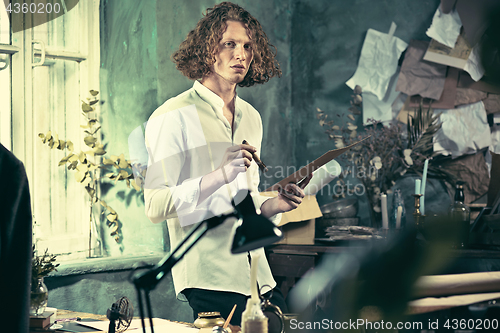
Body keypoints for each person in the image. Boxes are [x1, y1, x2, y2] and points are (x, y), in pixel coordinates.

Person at [143, 2, 311, 326]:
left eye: (248, 46)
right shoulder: (171, 117)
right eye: (230, 44)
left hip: (260, 278)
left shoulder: (252, 117)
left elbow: (242, 204)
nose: (242, 55)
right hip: (210, 279)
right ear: (208, 50)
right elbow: (155, 205)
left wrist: (275, 204)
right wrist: (218, 176)